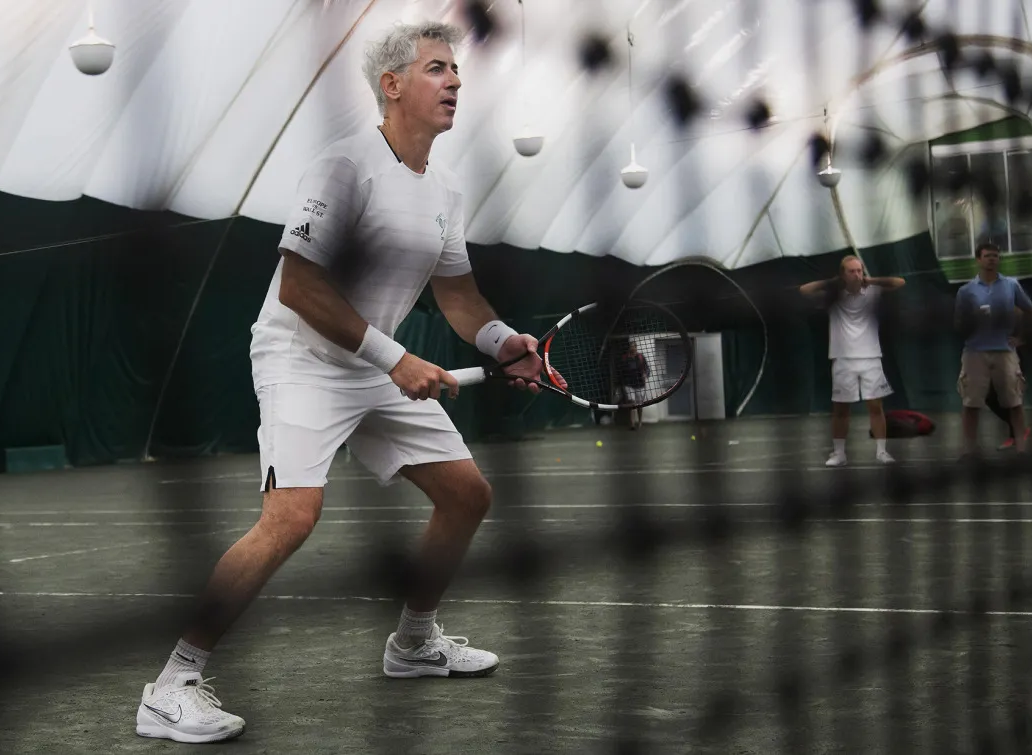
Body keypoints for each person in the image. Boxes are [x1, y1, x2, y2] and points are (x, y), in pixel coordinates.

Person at [134, 21, 544, 743]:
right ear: (392, 86)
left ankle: (414, 644)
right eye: (436, 69)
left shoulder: (445, 187)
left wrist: (505, 340)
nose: (454, 82)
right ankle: (171, 685)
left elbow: (458, 297)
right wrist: (398, 359)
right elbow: (299, 287)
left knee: (467, 494)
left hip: (374, 363)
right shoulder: (343, 169)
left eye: (457, 70)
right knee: (290, 517)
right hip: (302, 359)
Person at [799, 255, 905, 467]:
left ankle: (881, 452)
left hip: (870, 357)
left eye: (859, 270)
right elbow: (804, 290)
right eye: (852, 271)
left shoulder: (873, 292)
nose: (857, 275)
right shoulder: (834, 296)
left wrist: (871, 280)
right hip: (842, 358)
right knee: (840, 409)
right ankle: (839, 453)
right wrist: (832, 283)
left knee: (875, 406)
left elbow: (900, 282)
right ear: (843, 274)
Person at [955, 242, 1032, 454]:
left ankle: (1022, 449)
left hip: (1004, 351)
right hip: (974, 352)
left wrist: (1021, 337)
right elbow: (959, 325)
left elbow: (1029, 310)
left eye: (995, 256)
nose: (992, 259)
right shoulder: (966, 291)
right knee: (971, 404)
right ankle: (969, 450)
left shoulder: (1011, 285)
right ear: (978, 260)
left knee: (1014, 402)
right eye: (987, 256)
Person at [985, 313, 1032, 450]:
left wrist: (1022, 340)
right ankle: (1018, 431)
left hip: (1015, 358)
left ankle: (1016, 434)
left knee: (1008, 397)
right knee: (991, 398)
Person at [613, 340, 649, 429]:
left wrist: (645, 375)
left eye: (634, 346)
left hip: (640, 384)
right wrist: (619, 383)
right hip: (628, 384)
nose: (632, 348)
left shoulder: (640, 357)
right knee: (631, 403)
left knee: (640, 404)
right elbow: (620, 371)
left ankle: (640, 421)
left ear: (636, 347)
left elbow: (647, 369)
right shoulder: (624, 358)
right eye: (631, 346)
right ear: (629, 348)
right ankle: (632, 423)